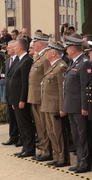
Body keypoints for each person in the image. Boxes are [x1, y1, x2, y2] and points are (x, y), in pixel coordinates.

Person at [63, 35, 91, 173]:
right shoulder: (73, 62)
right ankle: (80, 160)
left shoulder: (85, 62)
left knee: (82, 135)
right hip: (71, 105)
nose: (66, 50)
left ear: (73, 49)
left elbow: (85, 87)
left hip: (79, 106)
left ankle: (85, 163)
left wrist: (85, 107)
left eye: (68, 47)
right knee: (76, 136)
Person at [40, 41, 69, 167]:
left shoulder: (61, 66)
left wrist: (62, 107)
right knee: (51, 132)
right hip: (47, 104)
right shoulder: (52, 65)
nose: (45, 53)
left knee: (58, 133)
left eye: (47, 51)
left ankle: (63, 158)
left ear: (53, 53)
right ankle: (57, 156)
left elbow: (62, 89)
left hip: (55, 105)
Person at [7, 38, 35, 157]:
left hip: (21, 99)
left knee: (26, 125)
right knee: (21, 125)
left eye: (16, 46)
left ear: (21, 47)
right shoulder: (19, 60)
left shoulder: (27, 60)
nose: (14, 48)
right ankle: (25, 146)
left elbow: (24, 82)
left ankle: (30, 148)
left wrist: (22, 99)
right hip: (15, 98)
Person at [27, 33, 51, 162]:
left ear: (41, 43)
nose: (33, 44)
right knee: (39, 125)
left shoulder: (46, 56)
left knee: (44, 125)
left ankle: (46, 150)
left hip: (41, 97)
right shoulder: (39, 56)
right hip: (35, 96)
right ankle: (42, 148)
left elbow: (47, 78)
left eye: (35, 42)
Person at [1, 40, 22, 146]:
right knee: (11, 117)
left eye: (10, 47)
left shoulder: (20, 60)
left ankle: (21, 137)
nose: (8, 49)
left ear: (16, 47)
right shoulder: (8, 60)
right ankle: (13, 136)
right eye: (7, 48)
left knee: (19, 118)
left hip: (17, 93)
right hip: (9, 92)